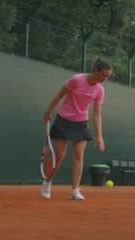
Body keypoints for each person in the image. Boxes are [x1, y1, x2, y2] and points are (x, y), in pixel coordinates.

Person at [41, 58, 112, 200]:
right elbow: (59, 96)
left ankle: (75, 190)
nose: (104, 79)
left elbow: (97, 114)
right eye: (103, 75)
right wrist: (49, 112)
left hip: (81, 123)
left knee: (79, 155)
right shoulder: (76, 80)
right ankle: (47, 182)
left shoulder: (100, 90)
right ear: (95, 71)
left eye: (107, 77)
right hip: (63, 120)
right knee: (59, 156)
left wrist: (99, 136)